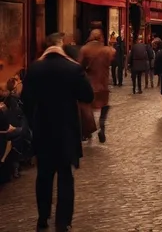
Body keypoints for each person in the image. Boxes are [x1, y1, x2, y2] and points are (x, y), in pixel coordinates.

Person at [21, 33, 93, 232]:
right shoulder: (73, 69)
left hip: (43, 129)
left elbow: (26, 100)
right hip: (66, 130)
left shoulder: (35, 68)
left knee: (43, 175)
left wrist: (34, 122)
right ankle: (63, 221)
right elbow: (87, 95)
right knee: (65, 176)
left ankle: (43, 218)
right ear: (61, 47)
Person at [79, 29, 115, 143]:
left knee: (87, 107)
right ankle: (102, 125)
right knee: (104, 105)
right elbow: (113, 53)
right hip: (103, 84)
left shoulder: (84, 49)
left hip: (90, 84)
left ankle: (88, 131)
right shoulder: (106, 50)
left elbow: (79, 66)